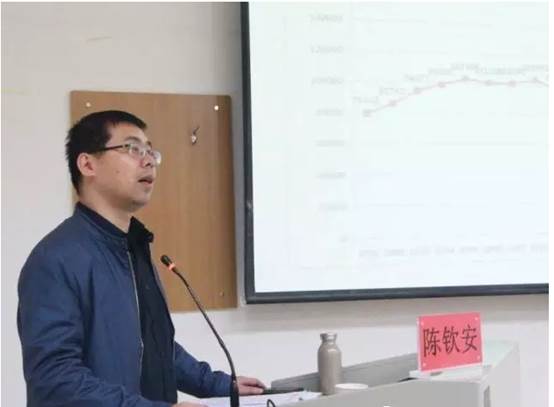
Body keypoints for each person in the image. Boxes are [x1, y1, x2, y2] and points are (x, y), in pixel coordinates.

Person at [17, 110, 265, 407]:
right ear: (87, 164)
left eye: (150, 152)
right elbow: (55, 380)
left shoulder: (135, 247)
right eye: (132, 148)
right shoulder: (55, 259)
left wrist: (221, 385)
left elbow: (155, 347)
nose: (148, 161)